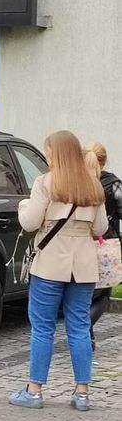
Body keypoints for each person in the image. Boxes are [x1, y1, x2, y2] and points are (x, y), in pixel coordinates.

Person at [10, 130, 107, 412]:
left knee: (43, 327)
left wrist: (24, 204)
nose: (47, 157)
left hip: (51, 265)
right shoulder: (93, 186)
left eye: (48, 152)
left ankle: (35, 390)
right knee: (79, 327)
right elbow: (100, 229)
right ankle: (82, 393)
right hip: (84, 268)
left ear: (56, 154)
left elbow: (29, 223)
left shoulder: (45, 183)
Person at [85, 141, 122, 341]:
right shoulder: (112, 184)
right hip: (106, 244)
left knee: (82, 290)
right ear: (104, 161)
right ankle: (85, 328)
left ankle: (81, 329)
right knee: (103, 293)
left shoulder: (77, 181)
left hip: (79, 242)